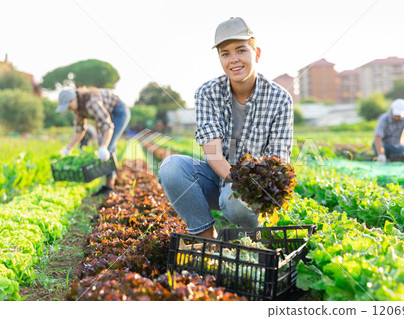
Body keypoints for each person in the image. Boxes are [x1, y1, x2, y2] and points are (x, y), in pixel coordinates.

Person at [158, 17, 294, 239]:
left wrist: (247, 186)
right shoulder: (207, 93)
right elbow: (212, 152)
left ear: (256, 53)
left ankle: (254, 236)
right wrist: (236, 179)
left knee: (235, 202)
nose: (234, 60)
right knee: (171, 167)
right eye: (225, 53)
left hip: (255, 190)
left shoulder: (280, 99)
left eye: (241, 50)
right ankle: (206, 238)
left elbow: (278, 161)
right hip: (217, 178)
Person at [56, 87, 130, 195]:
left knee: (108, 147)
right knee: (105, 147)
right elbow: (79, 131)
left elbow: (108, 126)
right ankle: (111, 184)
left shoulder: (92, 103)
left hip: (119, 112)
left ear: (75, 99)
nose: (69, 109)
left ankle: (110, 187)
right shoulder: (77, 110)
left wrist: (103, 147)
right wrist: (68, 148)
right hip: (108, 115)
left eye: (69, 106)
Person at [373, 98, 404, 163]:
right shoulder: (384, 119)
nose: (397, 117)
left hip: (398, 146)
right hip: (385, 146)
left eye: (399, 116)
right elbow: (378, 137)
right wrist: (381, 154)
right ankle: (384, 157)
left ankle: (396, 158)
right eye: (396, 115)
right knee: (374, 144)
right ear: (391, 110)